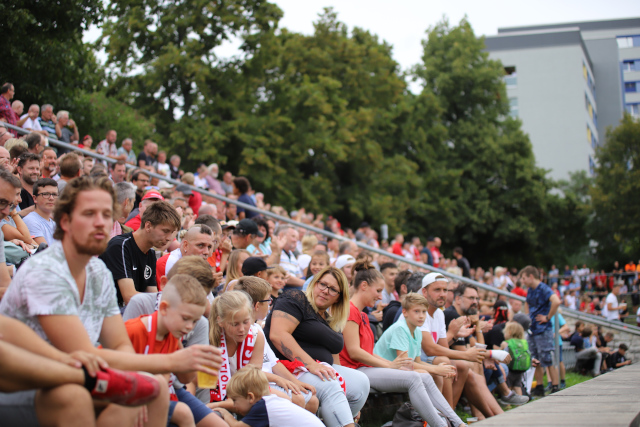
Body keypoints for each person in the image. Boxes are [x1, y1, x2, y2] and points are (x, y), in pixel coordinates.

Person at [0, 176, 223, 426]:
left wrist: (144, 374)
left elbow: (119, 345)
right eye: (89, 213)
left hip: (75, 376)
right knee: (73, 396)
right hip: (25, 383)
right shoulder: (48, 270)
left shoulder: (97, 272)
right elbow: (80, 355)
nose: (100, 222)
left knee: (155, 388)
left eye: (107, 215)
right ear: (65, 221)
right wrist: (172, 360)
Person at [341, 261, 464, 427]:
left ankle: (457, 423)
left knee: (425, 376)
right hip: (356, 372)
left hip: (365, 369)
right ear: (364, 286)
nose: (379, 296)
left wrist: (389, 364)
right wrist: (390, 365)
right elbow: (355, 352)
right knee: (414, 378)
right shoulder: (350, 310)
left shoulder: (362, 315)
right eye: (378, 291)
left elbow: (368, 352)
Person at [264, 266, 369, 427]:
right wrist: (311, 364)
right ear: (315, 283)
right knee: (330, 384)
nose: (326, 291)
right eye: (323, 284)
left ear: (339, 298)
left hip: (316, 368)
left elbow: (334, 359)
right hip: (287, 367)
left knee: (360, 382)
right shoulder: (297, 298)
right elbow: (278, 335)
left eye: (333, 289)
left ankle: (342, 419)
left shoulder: (330, 319)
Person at [125, 274, 227, 427]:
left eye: (194, 321)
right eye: (185, 319)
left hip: (165, 395)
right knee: (183, 413)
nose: (190, 327)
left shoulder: (173, 334)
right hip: (134, 396)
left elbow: (186, 379)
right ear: (164, 308)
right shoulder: (134, 330)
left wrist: (196, 365)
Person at [233, 277, 319, 412]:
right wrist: (279, 380)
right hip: (255, 383)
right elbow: (247, 372)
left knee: (312, 399)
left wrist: (295, 382)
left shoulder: (256, 328)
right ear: (256, 305)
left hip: (267, 380)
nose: (270, 305)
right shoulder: (242, 332)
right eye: (268, 301)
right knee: (298, 399)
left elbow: (274, 363)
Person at [100, 200, 181, 307]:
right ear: (148, 226)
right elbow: (129, 297)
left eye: (172, 233)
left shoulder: (150, 254)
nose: (169, 238)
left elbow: (152, 294)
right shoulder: (120, 246)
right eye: (165, 231)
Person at [215, 366, 324, 427]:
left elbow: (237, 426)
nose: (234, 405)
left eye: (235, 400)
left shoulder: (262, 408)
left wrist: (224, 413)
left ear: (250, 397)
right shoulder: (272, 400)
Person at [520, 265, 561, 396]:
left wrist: (548, 317)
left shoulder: (543, 288)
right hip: (533, 329)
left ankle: (555, 386)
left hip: (543, 329)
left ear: (531, 276)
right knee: (535, 358)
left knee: (547, 358)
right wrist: (527, 317)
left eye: (524, 278)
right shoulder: (530, 289)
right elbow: (527, 302)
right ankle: (539, 386)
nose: (523, 281)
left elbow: (556, 301)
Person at [156, 224, 217, 288]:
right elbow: (174, 296)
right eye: (200, 245)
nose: (206, 252)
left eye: (209, 247)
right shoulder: (171, 262)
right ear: (185, 245)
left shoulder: (198, 264)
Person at [23, 177, 58, 245]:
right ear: (35, 198)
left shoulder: (54, 223)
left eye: (54, 194)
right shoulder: (31, 221)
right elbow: (45, 251)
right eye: (46, 194)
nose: (51, 198)